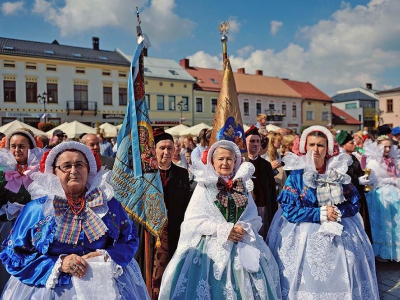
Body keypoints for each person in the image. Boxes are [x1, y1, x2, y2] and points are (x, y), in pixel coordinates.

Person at [0, 141, 149, 299]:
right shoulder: (38, 208)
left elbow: (129, 238)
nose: (74, 171)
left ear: (88, 169)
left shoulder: (107, 204)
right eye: (66, 166)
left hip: (104, 284)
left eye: (79, 165)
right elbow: (13, 253)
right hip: (51, 289)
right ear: (54, 172)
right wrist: (58, 264)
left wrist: (107, 256)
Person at [159, 140, 282, 299]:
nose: (225, 163)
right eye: (221, 159)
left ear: (235, 161)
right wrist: (224, 230)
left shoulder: (242, 185)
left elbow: (254, 217)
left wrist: (243, 227)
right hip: (210, 249)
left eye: (229, 159)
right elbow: (193, 220)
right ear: (213, 161)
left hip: (241, 242)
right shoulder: (205, 185)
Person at [267, 125, 379, 299]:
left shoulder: (337, 172)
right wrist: (319, 213)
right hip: (303, 233)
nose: (315, 149)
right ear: (305, 146)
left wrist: (336, 210)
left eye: (320, 145)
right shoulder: (297, 175)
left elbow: (354, 202)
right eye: (311, 145)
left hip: (340, 231)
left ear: (328, 148)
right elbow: (289, 210)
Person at [135, 127, 191, 299]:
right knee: (149, 270)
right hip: (150, 232)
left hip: (174, 229)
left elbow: (186, 203)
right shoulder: (145, 174)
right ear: (154, 150)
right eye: (162, 148)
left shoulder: (181, 173)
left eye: (170, 148)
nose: (166, 152)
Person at [0, 128, 43, 291]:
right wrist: (5, 209)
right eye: (13, 146)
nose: (17, 150)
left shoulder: (40, 169)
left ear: (30, 148)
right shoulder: (2, 169)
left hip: (33, 227)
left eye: (21, 146)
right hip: (7, 226)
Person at [364, 135, 400, 262]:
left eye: (389, 146)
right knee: (385, 223)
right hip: (382, 195)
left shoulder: (392, 159)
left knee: (395, 222)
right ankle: (382, 251)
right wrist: (392, 180)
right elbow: (374, 180)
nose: (387, 149)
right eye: (385, 146)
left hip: (394, 193)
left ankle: (395, 251)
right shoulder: (373, 162)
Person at [335, 130, 373, 242]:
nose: (354, 144)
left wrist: (364, 179)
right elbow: (343, 179)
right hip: (349, 198)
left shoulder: (354, 157)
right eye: (351, 143)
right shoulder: (340, 160)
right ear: (343, 145)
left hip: (359, 194)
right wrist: (357, 181)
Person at [245, 125, 277, 238]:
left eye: (257, 141)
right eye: (252, 141)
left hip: (263, 207)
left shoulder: (266, 164)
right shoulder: (241, 163)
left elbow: (272, 190)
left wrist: (273, 211)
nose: (255, 144)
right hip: (247, 210)